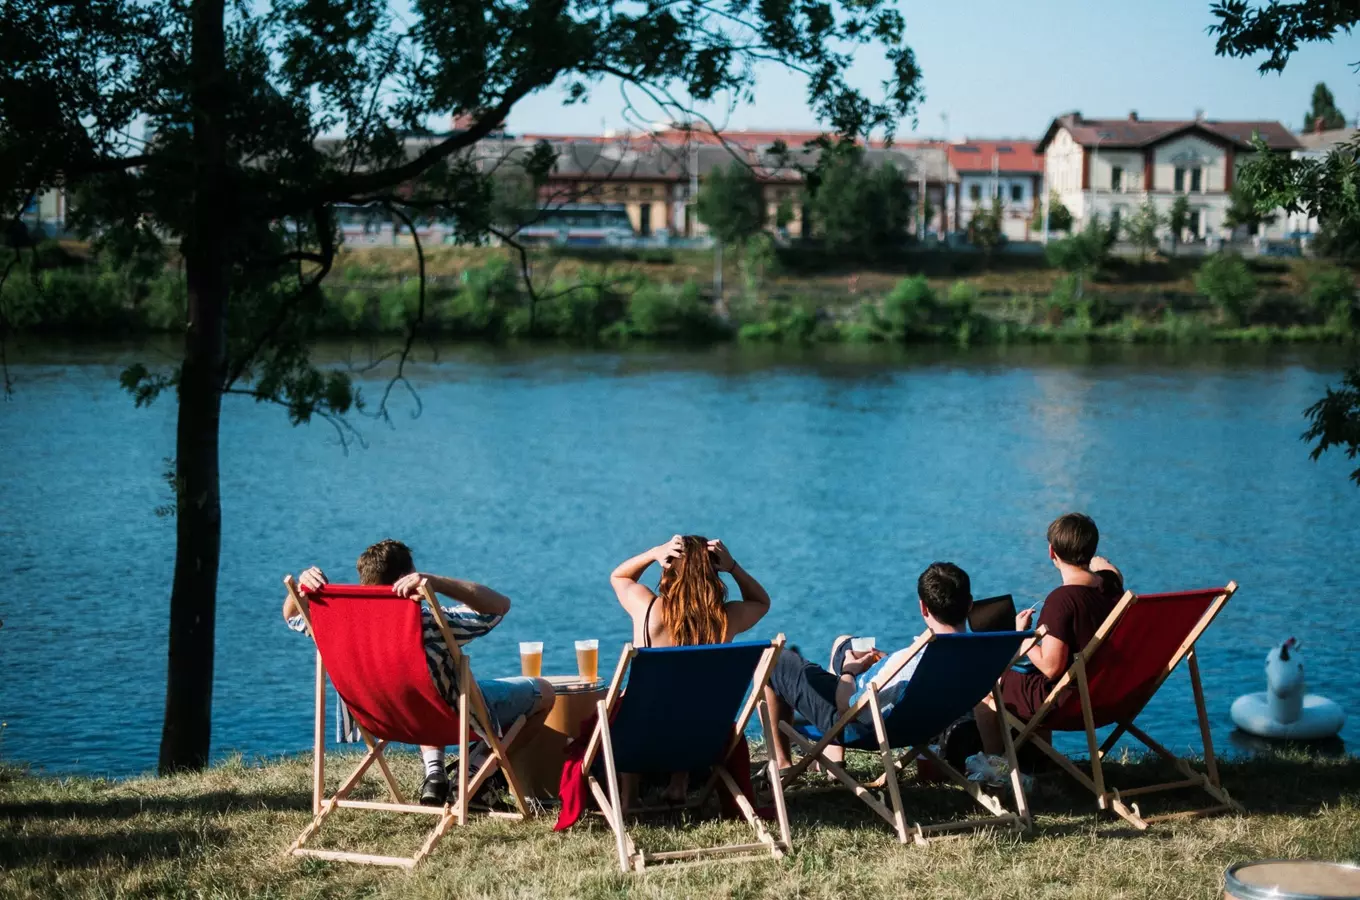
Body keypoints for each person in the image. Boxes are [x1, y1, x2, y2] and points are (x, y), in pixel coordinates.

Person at [284, 539, 555, 806]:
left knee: (425, 688)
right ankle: (473, 775)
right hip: (444, 717)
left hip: (380, 719)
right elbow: (499, 605)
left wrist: (300, 589)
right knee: (543, 693)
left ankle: (435, 775)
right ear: (407, 578)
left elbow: (290, 616)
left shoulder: (337, 626)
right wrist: (434, 582)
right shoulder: (428, 622)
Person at [764, 561, 974, 772]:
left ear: (923, 608)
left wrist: (849, 670)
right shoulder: (980, 655)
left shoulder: (910, 661)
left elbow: (846, 705)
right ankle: (832, 758)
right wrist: (885, 663)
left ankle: (782, 764)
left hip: (861, 727)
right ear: (970, 605)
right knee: (844, 643)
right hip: (924, 726)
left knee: (773, 659)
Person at [609, 534, 772, 804]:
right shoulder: (725, 618)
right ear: (713, 573)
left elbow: (619, 577)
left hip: (640, 737)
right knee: (692, 697)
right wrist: (733, 567)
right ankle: (678, 783)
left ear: (669, 567)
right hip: (701, 737)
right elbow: (761, 602)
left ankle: (628, 795)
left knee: (630, 701)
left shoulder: (648, 609)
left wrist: (654, 552)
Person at [974, 512, 1124, 758]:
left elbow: (1051, 668)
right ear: (1091, 550)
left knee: (986, 685)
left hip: (1068, 704)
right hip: (1109, 695)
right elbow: (1113, 572)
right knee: (1029, 678)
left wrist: (1020, 635)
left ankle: (995, 769)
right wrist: (1101, 565)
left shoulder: (1062, 600)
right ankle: (1041, 762)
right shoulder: (1113, 591)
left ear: (1052, 553)